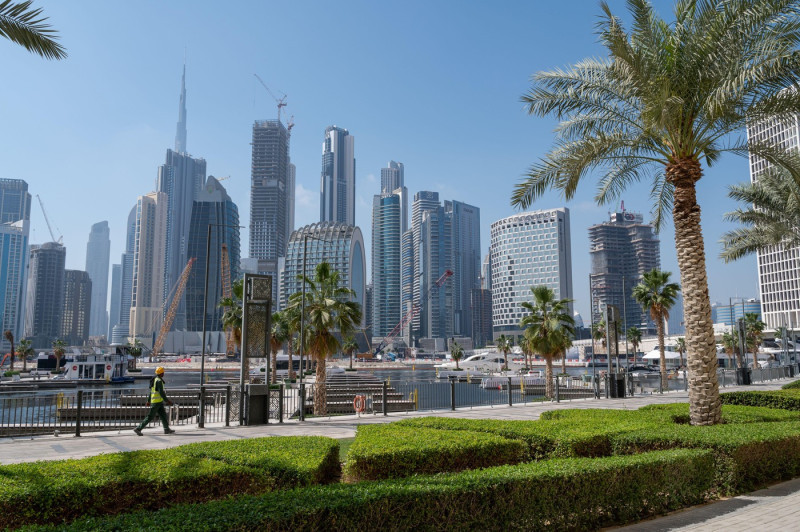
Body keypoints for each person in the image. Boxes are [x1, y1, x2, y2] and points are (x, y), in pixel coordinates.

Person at [133, 366, 175, 435]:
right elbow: (161, 392)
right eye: (163, 372)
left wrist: (149, 401)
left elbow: (151, 392)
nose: (163, 373)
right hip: (156, 402)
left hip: (158, 402)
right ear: (161, 373)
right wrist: (167, 401)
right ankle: (138, 428)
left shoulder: (155, 379)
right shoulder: (158, 381)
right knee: (150, 416)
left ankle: (166, 429)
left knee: (163, 415)